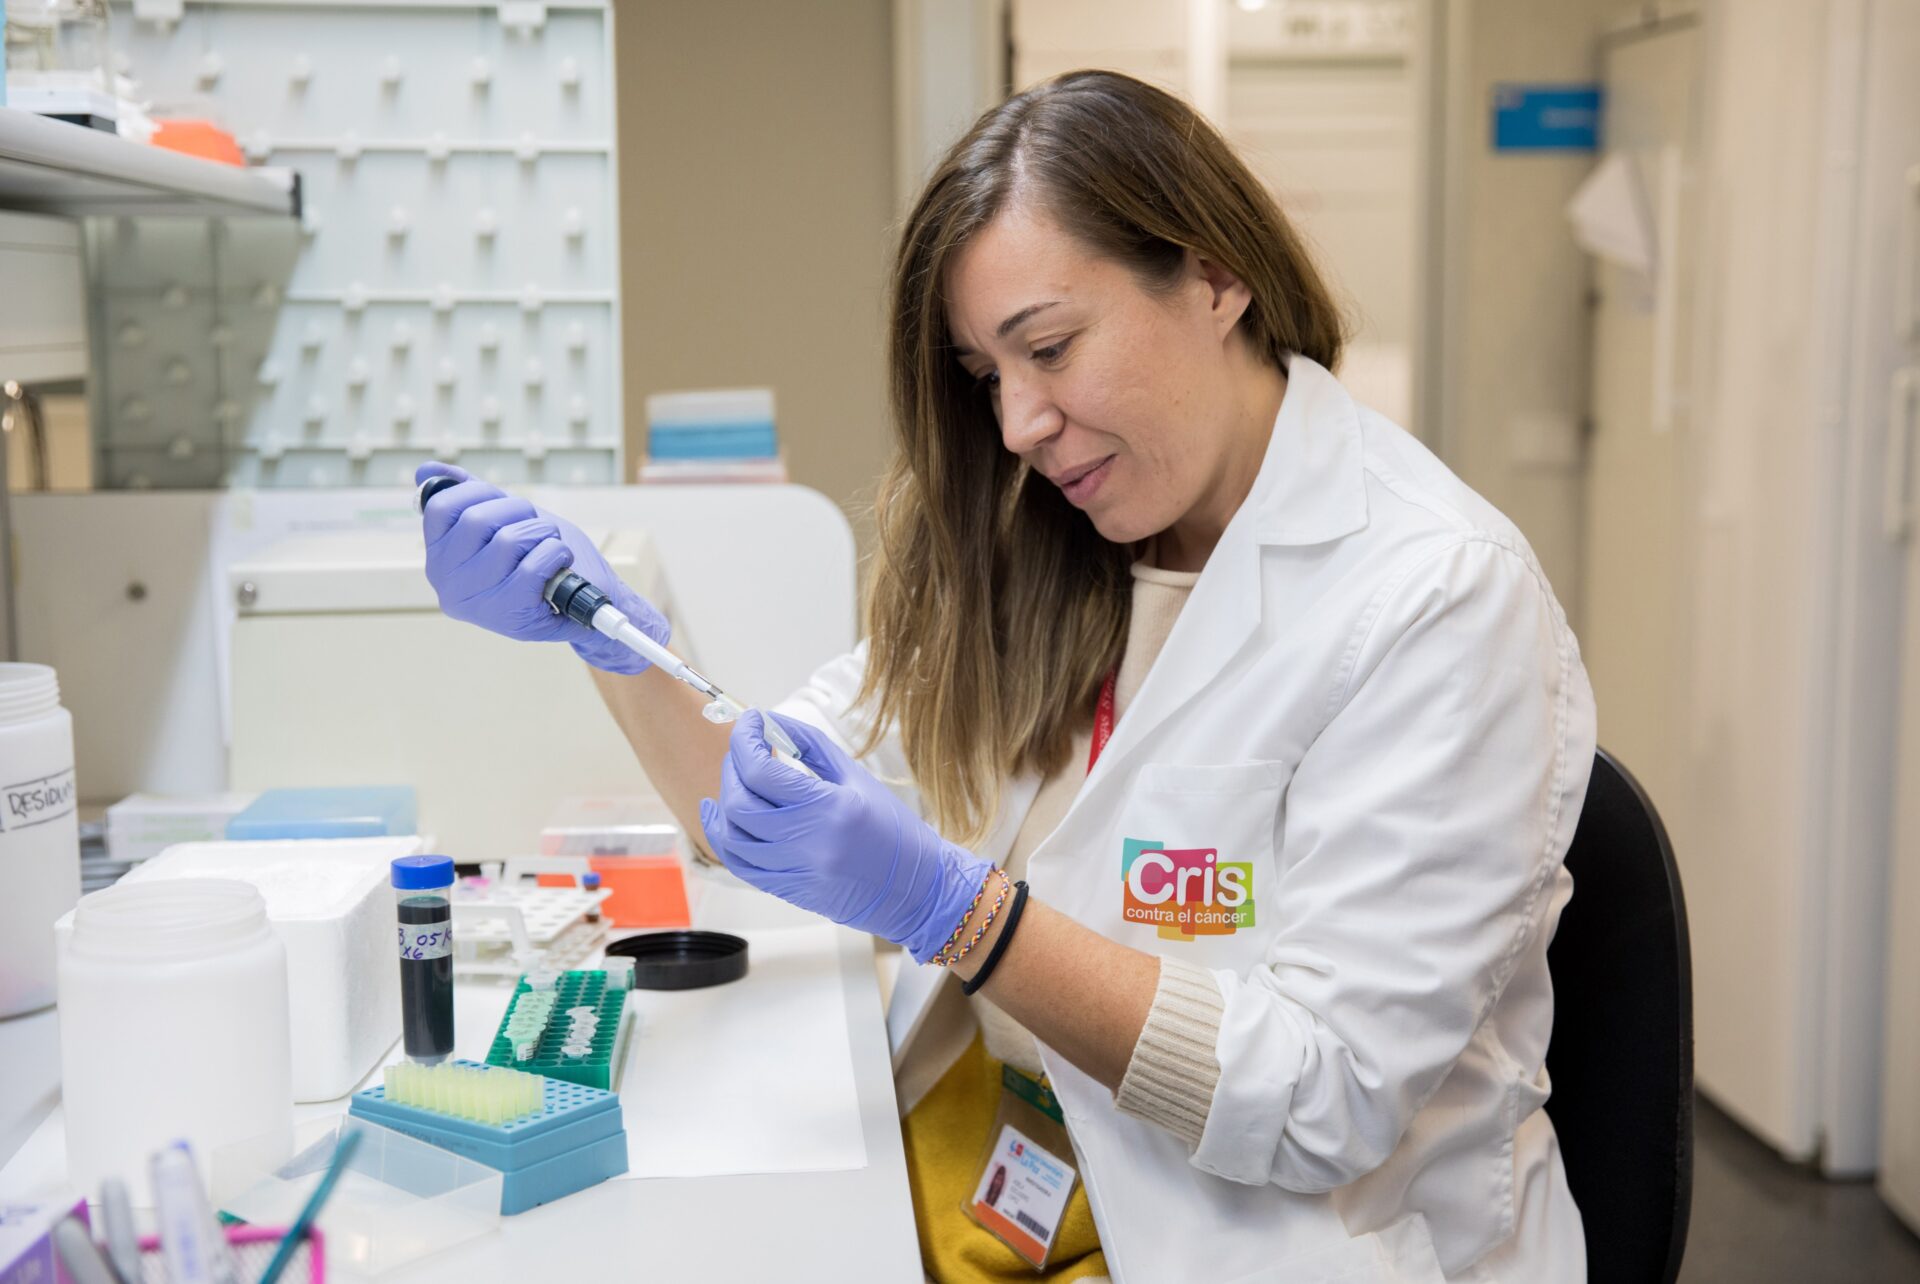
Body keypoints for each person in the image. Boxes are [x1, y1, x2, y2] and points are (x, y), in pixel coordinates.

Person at [417, 70, 1594, 1284]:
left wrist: (964, 917)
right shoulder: (1053, 543)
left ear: (1213, 277)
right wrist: (609, 639)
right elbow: (753, 806)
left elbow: (1321, 1099)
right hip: (1019, 1183)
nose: (1020, 423)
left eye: (1050, 348)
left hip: (1285, 1245)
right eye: (988, 376)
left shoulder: (1436, 595)